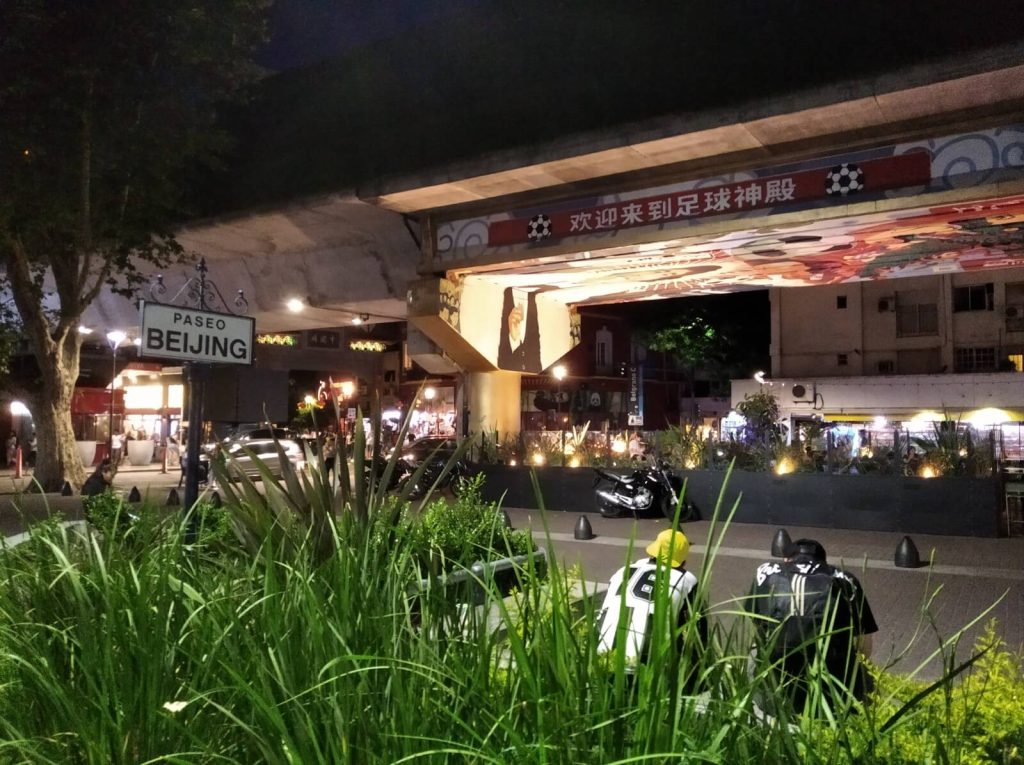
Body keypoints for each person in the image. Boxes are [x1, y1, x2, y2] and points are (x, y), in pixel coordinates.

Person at [744, 538, 878, 714]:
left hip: (775, 692)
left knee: (757, 645)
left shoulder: (766, 574)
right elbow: (864, 646)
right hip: (832, 695)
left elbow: (757, 625)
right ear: (823, 561)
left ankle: (761, 699)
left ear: (787, 559)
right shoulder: (846, 579)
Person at [596, 529, 706, 681]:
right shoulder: (686, 580)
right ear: (683, 560)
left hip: (603, 653)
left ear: (652, 551)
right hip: (645, 663)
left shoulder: (623, 571)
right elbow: (698, 629)